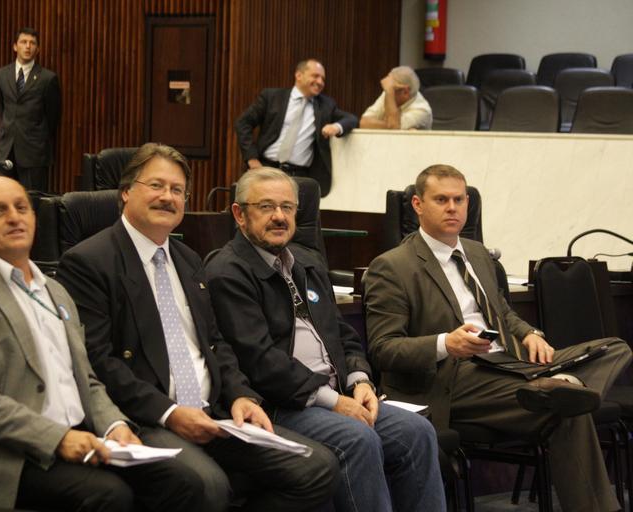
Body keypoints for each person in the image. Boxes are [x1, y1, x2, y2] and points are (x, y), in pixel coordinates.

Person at [56, 143, 339, 512]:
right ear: (125, 192)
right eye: (156, 185)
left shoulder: (188, 260)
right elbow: (98, 362)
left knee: (316, 467)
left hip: (214, 413)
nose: (167, 197)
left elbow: (215, 342)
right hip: (145, 417)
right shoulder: (89, 262)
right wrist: (170, 412)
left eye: (177, 190)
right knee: (208, 485)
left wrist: (241, 396)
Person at [0, 174, 204, 511]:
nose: (14, 218)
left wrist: (114, 425)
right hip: (10, 455)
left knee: (183, 483)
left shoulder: (55, 291)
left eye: (21, 208)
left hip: (83, 436)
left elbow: (87, 378)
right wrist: (57, 438)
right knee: (109, 495)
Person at [364, 164, 632, 512]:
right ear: (417, 204)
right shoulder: (392, 266)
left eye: (459, 200)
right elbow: (383, 349)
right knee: (570, 411)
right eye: (441, 200)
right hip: (453, 377)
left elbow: (503, 313)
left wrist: (529, 333)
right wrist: (446, 343)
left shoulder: (478, 253)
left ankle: (559, 387)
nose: (452, 208)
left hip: (510, 365)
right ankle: (554, 389)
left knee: (613, 347)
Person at [205, 168, 446, 512]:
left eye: (288, 208)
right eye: (266, 207)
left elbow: (342, 332)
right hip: (280, 404)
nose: (279, 216)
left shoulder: (307, 262)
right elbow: (261, 361)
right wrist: (333, 401)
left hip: (336, 394)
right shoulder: (227, 271)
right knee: (357, 439)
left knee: (417, 433)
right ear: (240, 214)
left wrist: (360, 380)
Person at [234, 58, 357, 197]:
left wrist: (337, 126)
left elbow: (352, 119)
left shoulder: (325, 106)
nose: (320, 82)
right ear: (299, 75)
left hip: (299, 177)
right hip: (265, 169)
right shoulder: (272, 97)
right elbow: (243, 123)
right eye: (315, 76)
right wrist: (252, 159)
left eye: (323, 79)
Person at [0, 27, 61, 192]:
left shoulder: (47, 78)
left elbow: (53, 116)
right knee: (1, 198)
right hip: (5, 150)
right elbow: (2, 108)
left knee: (32, 202)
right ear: (15, 46)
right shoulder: (1, 74)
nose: (28, 46)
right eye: (23, 42)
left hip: (34, 153)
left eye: (32, 43)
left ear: (38, 49)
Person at [359, 66, 432, 130]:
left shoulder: (423, 110)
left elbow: (392, 126)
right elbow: (364, 122)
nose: (386, 89)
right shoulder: (388, 91)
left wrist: (389, 92)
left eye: (391, 87)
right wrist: (395, 127)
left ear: (405, 92)